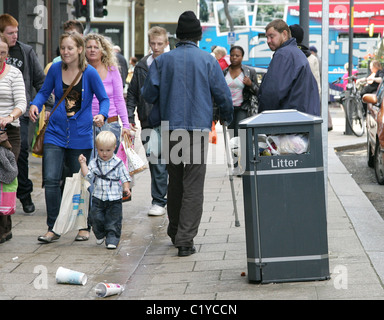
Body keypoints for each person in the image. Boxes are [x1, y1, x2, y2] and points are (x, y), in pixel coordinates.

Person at [142, 11, 233, 257]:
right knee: (193, 183)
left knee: (176, 181)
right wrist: (227, 115)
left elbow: (148, 94)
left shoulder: (163, 61)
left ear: (177, 36)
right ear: (198, 36)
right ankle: (185, 239)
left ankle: (174, 231)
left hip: (171, 128)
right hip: (197, 130)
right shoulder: (208, 60)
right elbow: (223, 94)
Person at [29, 32, 110, 244]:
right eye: (63, 48)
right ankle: (53, 227)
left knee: (81, 182)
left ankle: (83, 225)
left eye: (70, 48)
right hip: (55, 133)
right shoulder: (55, 69)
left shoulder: (89, 73)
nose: (65, 52)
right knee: (52, 180)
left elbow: (104, 99)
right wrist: (35, 104)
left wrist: (101, 114)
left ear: (80, 50)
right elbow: (44, 92)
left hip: (81, 136)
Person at [0, 14, 53, 215]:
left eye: (16, 32)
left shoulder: (26, 51)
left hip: (20, 115)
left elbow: (40, 81)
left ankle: (24, 194)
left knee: (19, 155)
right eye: (10, 33)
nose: (14, 36)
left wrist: (46, 106)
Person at [127, 26, 169, 217]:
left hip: (170, 119)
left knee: (171, 162)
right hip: (148, 120)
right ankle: (159, 200)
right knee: (156, 160)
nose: (156, 47)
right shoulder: (142, 66)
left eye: (159, 43)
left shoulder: (171, 62)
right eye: (153, 43)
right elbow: (133, 93)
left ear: (166, 43)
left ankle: (168, 198)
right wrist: (129, 116)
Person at [79, 131, 131, 249]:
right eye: (101, 150)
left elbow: (124, 177)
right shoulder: (94, 162)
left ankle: (112, 238)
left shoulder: (118, 163)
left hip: (115, 198)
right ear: (97, 149)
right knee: (95, 218)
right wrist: (83, 164)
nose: (104, 153)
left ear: (114, 148)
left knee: (114, 220)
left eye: (108, 150)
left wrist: (126, 187)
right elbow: (88, 176)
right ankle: (100, 233)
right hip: (98, 196)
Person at [258, 19, 320, 116]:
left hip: (288, 120)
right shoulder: (296, 53)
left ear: (284, 34)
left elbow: (273, 92)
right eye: (267, 37)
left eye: (272, 36)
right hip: (302, 117)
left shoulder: (284, 55)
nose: (268, 41)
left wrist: (263, 113)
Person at [0, 33, 27, 244]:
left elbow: (21, 103)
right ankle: (4, 228)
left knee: (5, 176)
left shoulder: (14, 74)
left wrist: (9, 116)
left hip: (9, 133)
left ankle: (4, 227)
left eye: (3, 53)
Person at [85, 33, 130, 150]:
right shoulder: (80, 71)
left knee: (108, 165)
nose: (92, 50)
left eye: (96, 47)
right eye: (89, 47)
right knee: (88, 164)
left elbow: (119, 99)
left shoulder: (112, 70)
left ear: (103, 50)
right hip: (86, 125)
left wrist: (126, 125)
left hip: (110, 124)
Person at [223, 45, 259, 173]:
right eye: (232, 55)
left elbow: (258, 91)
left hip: (243, 108)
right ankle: (236, 165)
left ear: (242, 57)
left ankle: (243, 164)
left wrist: (250, 84)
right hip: (229, 110)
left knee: (240, 136)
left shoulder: (249, 72)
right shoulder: (224, 72)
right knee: (232, 137)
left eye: (237, 56)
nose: (234, 58)